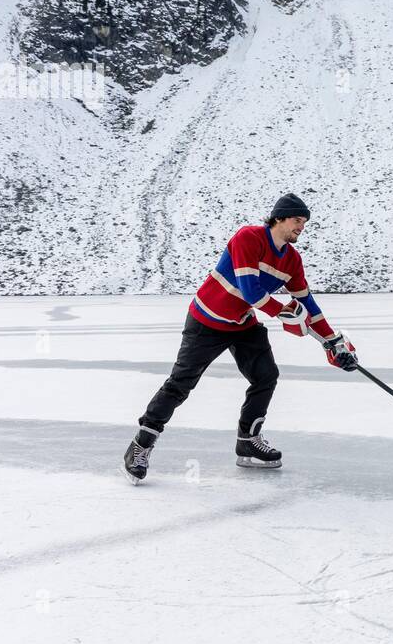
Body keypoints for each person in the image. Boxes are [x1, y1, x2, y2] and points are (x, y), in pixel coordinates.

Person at [122, 193, 357, 483]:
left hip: (242, 324)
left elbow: (308, 305)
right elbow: (251, 290)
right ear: (279, 218)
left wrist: (333, 342)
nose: (302, 227)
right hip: (206, 321)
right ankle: (140, 445)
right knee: (180, 384)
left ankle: (248, 440)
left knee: (266, 376)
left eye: (305, 222)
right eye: (297, 220)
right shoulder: (248, 238)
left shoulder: (292, 261)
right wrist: (282, 312)